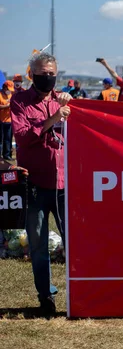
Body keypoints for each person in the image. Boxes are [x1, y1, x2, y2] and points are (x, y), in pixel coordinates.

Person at [10, 52, 72, 314]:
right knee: (38, 244)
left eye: (51, 73)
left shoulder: (65, 100)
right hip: (34, 183)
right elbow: (23, 138)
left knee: (74, 242)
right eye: (42, 73)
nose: (47, 77)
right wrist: (54, 119)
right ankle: (45, 296)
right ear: (31, 73)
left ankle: (80, 293)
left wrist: (70, 109)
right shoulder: (20, 101)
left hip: (63, 184)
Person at [1, 81, 14, 160]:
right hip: (1, 120)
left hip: (9, 120)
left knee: (8, 139)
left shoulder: (11, 95)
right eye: (8, 88)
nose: (9, 90)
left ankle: (7, 155)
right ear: (4, 87)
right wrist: (6, 106)